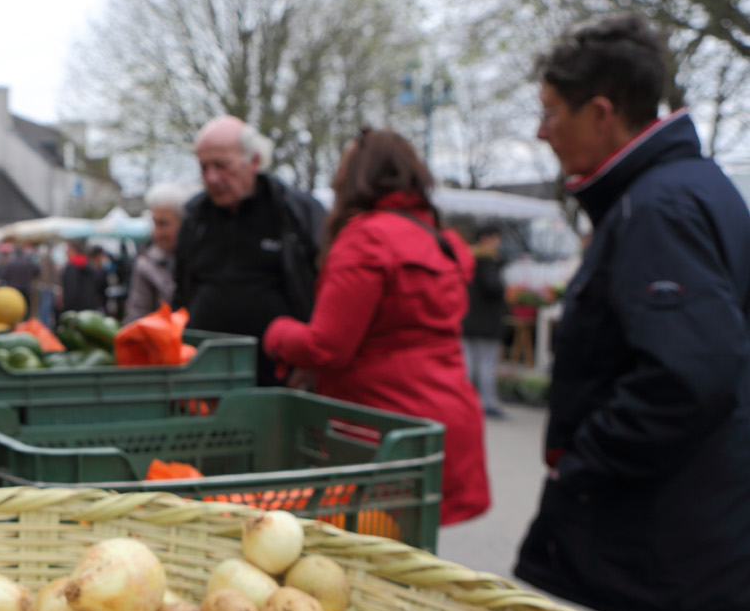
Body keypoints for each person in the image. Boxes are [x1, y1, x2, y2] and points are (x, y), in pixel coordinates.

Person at [514, 14, 750, 611]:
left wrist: (584, 462)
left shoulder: (659, 206)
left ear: (601, 112)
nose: (541, 131)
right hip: (687, 538)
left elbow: (689, 375)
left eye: (550, 111)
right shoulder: (684, 187)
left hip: (672, 548)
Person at [262, 128, 491, 526]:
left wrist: (276, 332)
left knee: (373, 556)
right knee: (412, 558)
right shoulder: (437, 239)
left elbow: (327, 347)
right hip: (443, 420)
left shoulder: (367, 238)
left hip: (384, 428)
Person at [173, 116, 325, 386]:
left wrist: (311, 359)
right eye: (204, 167)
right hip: (204, 371)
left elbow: (324, 287)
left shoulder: (294, 213)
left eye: (221, 165)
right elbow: (181, 288)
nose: (211, 177)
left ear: (253, 160)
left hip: (279, 374)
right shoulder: (195, 217)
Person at [125, 180, 195, 321]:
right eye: (154, 223)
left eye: (163, 224)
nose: (156, 232)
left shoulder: (203, 258)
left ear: (185, 223)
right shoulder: (146, 265)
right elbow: (137, 318)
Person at [462, 225, 508, 419]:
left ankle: (464, 399)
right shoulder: (489, 260)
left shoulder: (466, 257)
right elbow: (493, 286)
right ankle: (487, 403)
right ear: (485, 238)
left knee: (468, 362)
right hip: (486, 322)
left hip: (468, 318)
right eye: (496, 238)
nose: (498, 242)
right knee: (487, 364)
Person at [59, 240, 107, 314]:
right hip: (90, 308)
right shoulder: (88, 264)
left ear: (74, 251)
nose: (66, 253)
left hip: (75, 310)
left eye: (68, 250)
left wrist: (66, 308)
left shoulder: (72, 267)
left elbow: (70, 291)